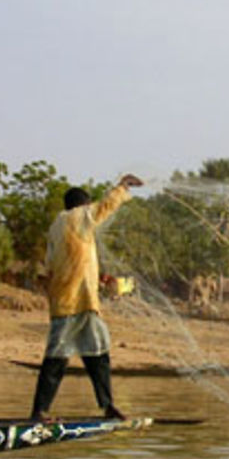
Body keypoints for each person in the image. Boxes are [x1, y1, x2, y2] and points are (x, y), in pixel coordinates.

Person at [30, 174, 143, 421]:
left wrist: (96, 277)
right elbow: (106, 206)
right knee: (75, 357)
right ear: (83, 205)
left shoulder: (57, 226)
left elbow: (50, 265)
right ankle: (42, 412)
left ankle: (105, 407)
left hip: (69, 299)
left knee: (92, 353)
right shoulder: (80, 216)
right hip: (76, 301)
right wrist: (123, 187)